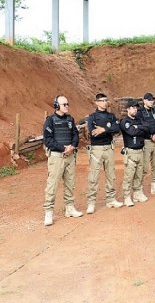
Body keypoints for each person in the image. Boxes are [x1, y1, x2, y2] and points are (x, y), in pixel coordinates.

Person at [43, 95, 82, 226]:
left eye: (67, 104)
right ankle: (48, 212)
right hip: (56, 157)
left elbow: (75, 134)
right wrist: (63, 148)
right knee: (52, 185)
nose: (67, 106)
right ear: (56, 105)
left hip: (70, 156)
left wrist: (72, 146)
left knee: (70, 183)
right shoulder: (50, 120)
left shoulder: (70, 119)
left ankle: (69, 208)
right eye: (64, 104)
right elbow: (48, 140)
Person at [86, 93, 123, 213]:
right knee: (94, 177)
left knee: (111, 175)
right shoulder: (92, 117)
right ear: (96, 102)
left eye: (106, 100)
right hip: (96, 149)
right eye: (102, 101)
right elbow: (93, 132)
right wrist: (108, 130)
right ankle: (91, 203)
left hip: (109, 148)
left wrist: (103, 129)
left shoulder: (111, 116)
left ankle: (111, 199)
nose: (105, 102)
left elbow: (117, 129)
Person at [120, 99, 150, 207]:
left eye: (136, 107)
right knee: (129, 176)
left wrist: (138, 127)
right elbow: (131, 132)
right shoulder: (125, 121)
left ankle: (138, 193)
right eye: (133, 107)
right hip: (131, 152)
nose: (135, 109)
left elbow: (147, 128)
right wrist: (138, 129)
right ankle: (127, 197)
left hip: (140, 151)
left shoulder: (139, 119)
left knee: (139, 174)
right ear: (128, 109)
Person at [137, 93, 155, 196]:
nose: (151, 102)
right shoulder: (140, 113)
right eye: (149, 100)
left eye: (152, 100)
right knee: (144, 167)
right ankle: (139, 189)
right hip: (146, 142)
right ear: (144, 101)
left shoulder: (154, 112)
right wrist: (150, 136)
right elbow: (141, 127)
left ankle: (154, 186)